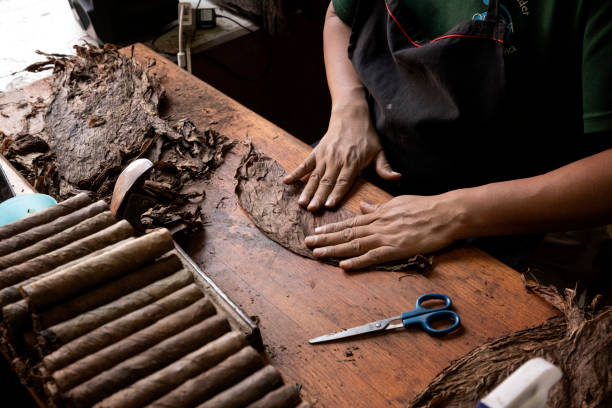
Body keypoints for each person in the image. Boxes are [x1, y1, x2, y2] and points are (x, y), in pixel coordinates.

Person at [283, 0, 612, 273]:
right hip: (373, 156)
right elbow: (339, 17)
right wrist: (348, 109)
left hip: (514, 213)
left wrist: (450, 213)